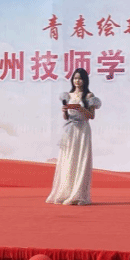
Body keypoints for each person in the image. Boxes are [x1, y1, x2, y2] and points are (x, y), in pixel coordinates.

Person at [46, 68, 101, 205]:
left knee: (81, 159)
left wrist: (81, 109)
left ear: (85, 80)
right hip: (70, 130)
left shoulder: (89, 96)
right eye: (75, 78)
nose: (77, 81)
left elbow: (91, 116)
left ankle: (79, 195)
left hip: (82, 130)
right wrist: (64, 111)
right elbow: (66, 117)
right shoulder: (67, 95)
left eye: (80, 78)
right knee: (68, 159)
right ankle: (65, 193)